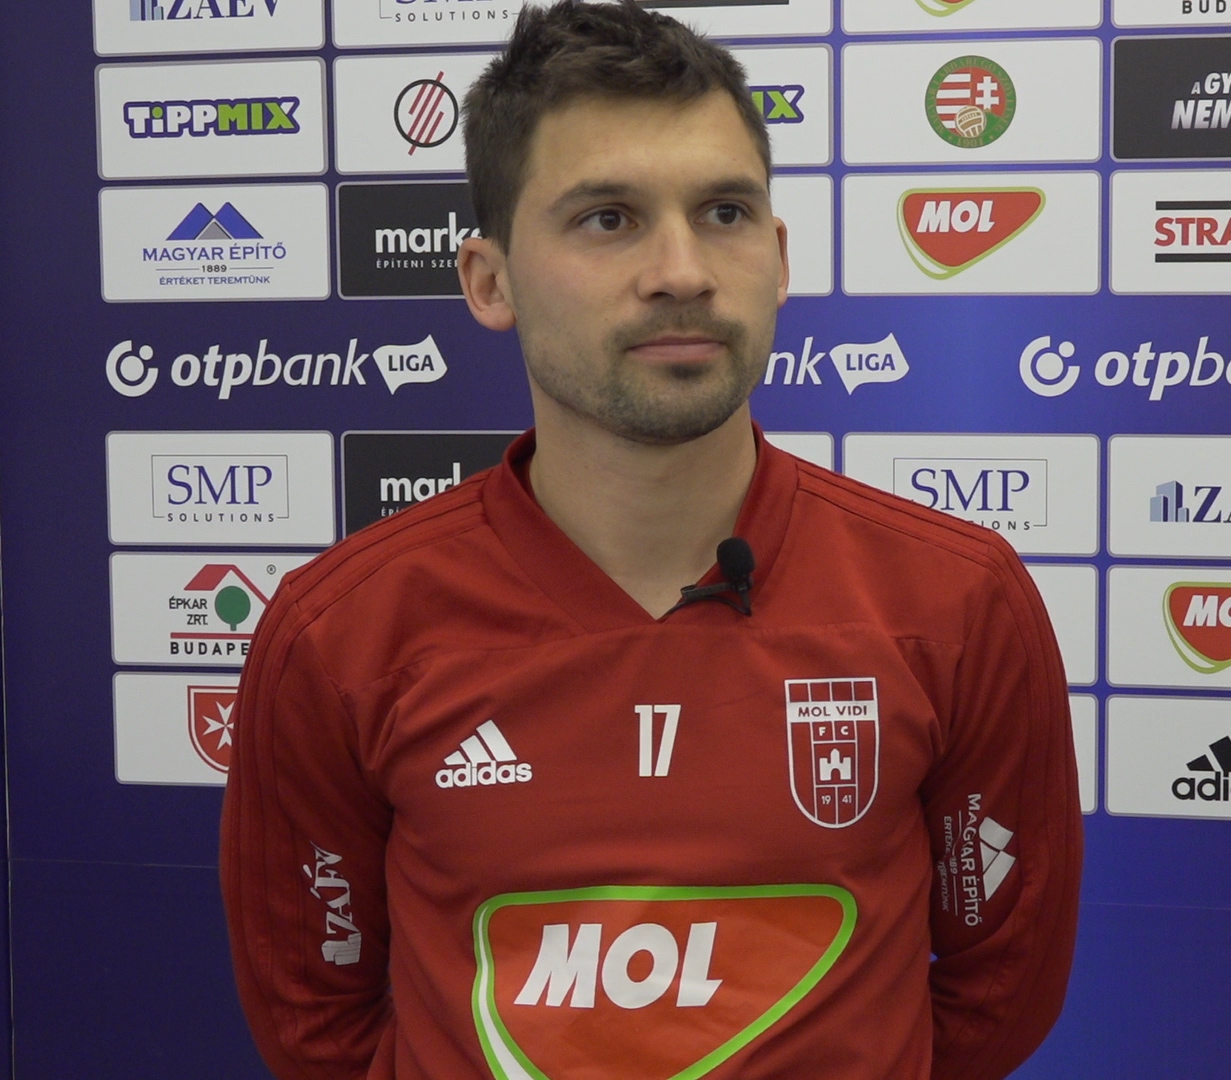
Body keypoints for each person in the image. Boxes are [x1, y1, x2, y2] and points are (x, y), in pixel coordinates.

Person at [218, 3, 1083, 1077]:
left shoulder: (956, 603)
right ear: (489, 280)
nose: (682, 269)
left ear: (777, 257)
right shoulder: (340, 635)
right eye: (608, 219)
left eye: (723, 212)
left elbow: (1000, 988)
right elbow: (315, 1019)